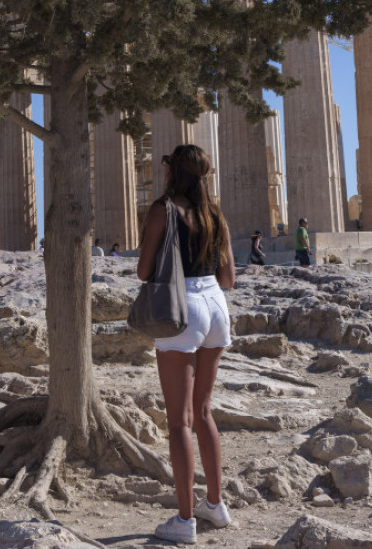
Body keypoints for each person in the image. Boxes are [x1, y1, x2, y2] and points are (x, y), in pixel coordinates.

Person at [137, 145, 236, 544]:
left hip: (183, 307)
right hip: (216, 303)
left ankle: (184, 520)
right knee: (205, 411)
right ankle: (215, 504)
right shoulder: (215, 213)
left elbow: (144, 270)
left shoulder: (164, 209)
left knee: (178, 420)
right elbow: (229, 277)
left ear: (172, 171)